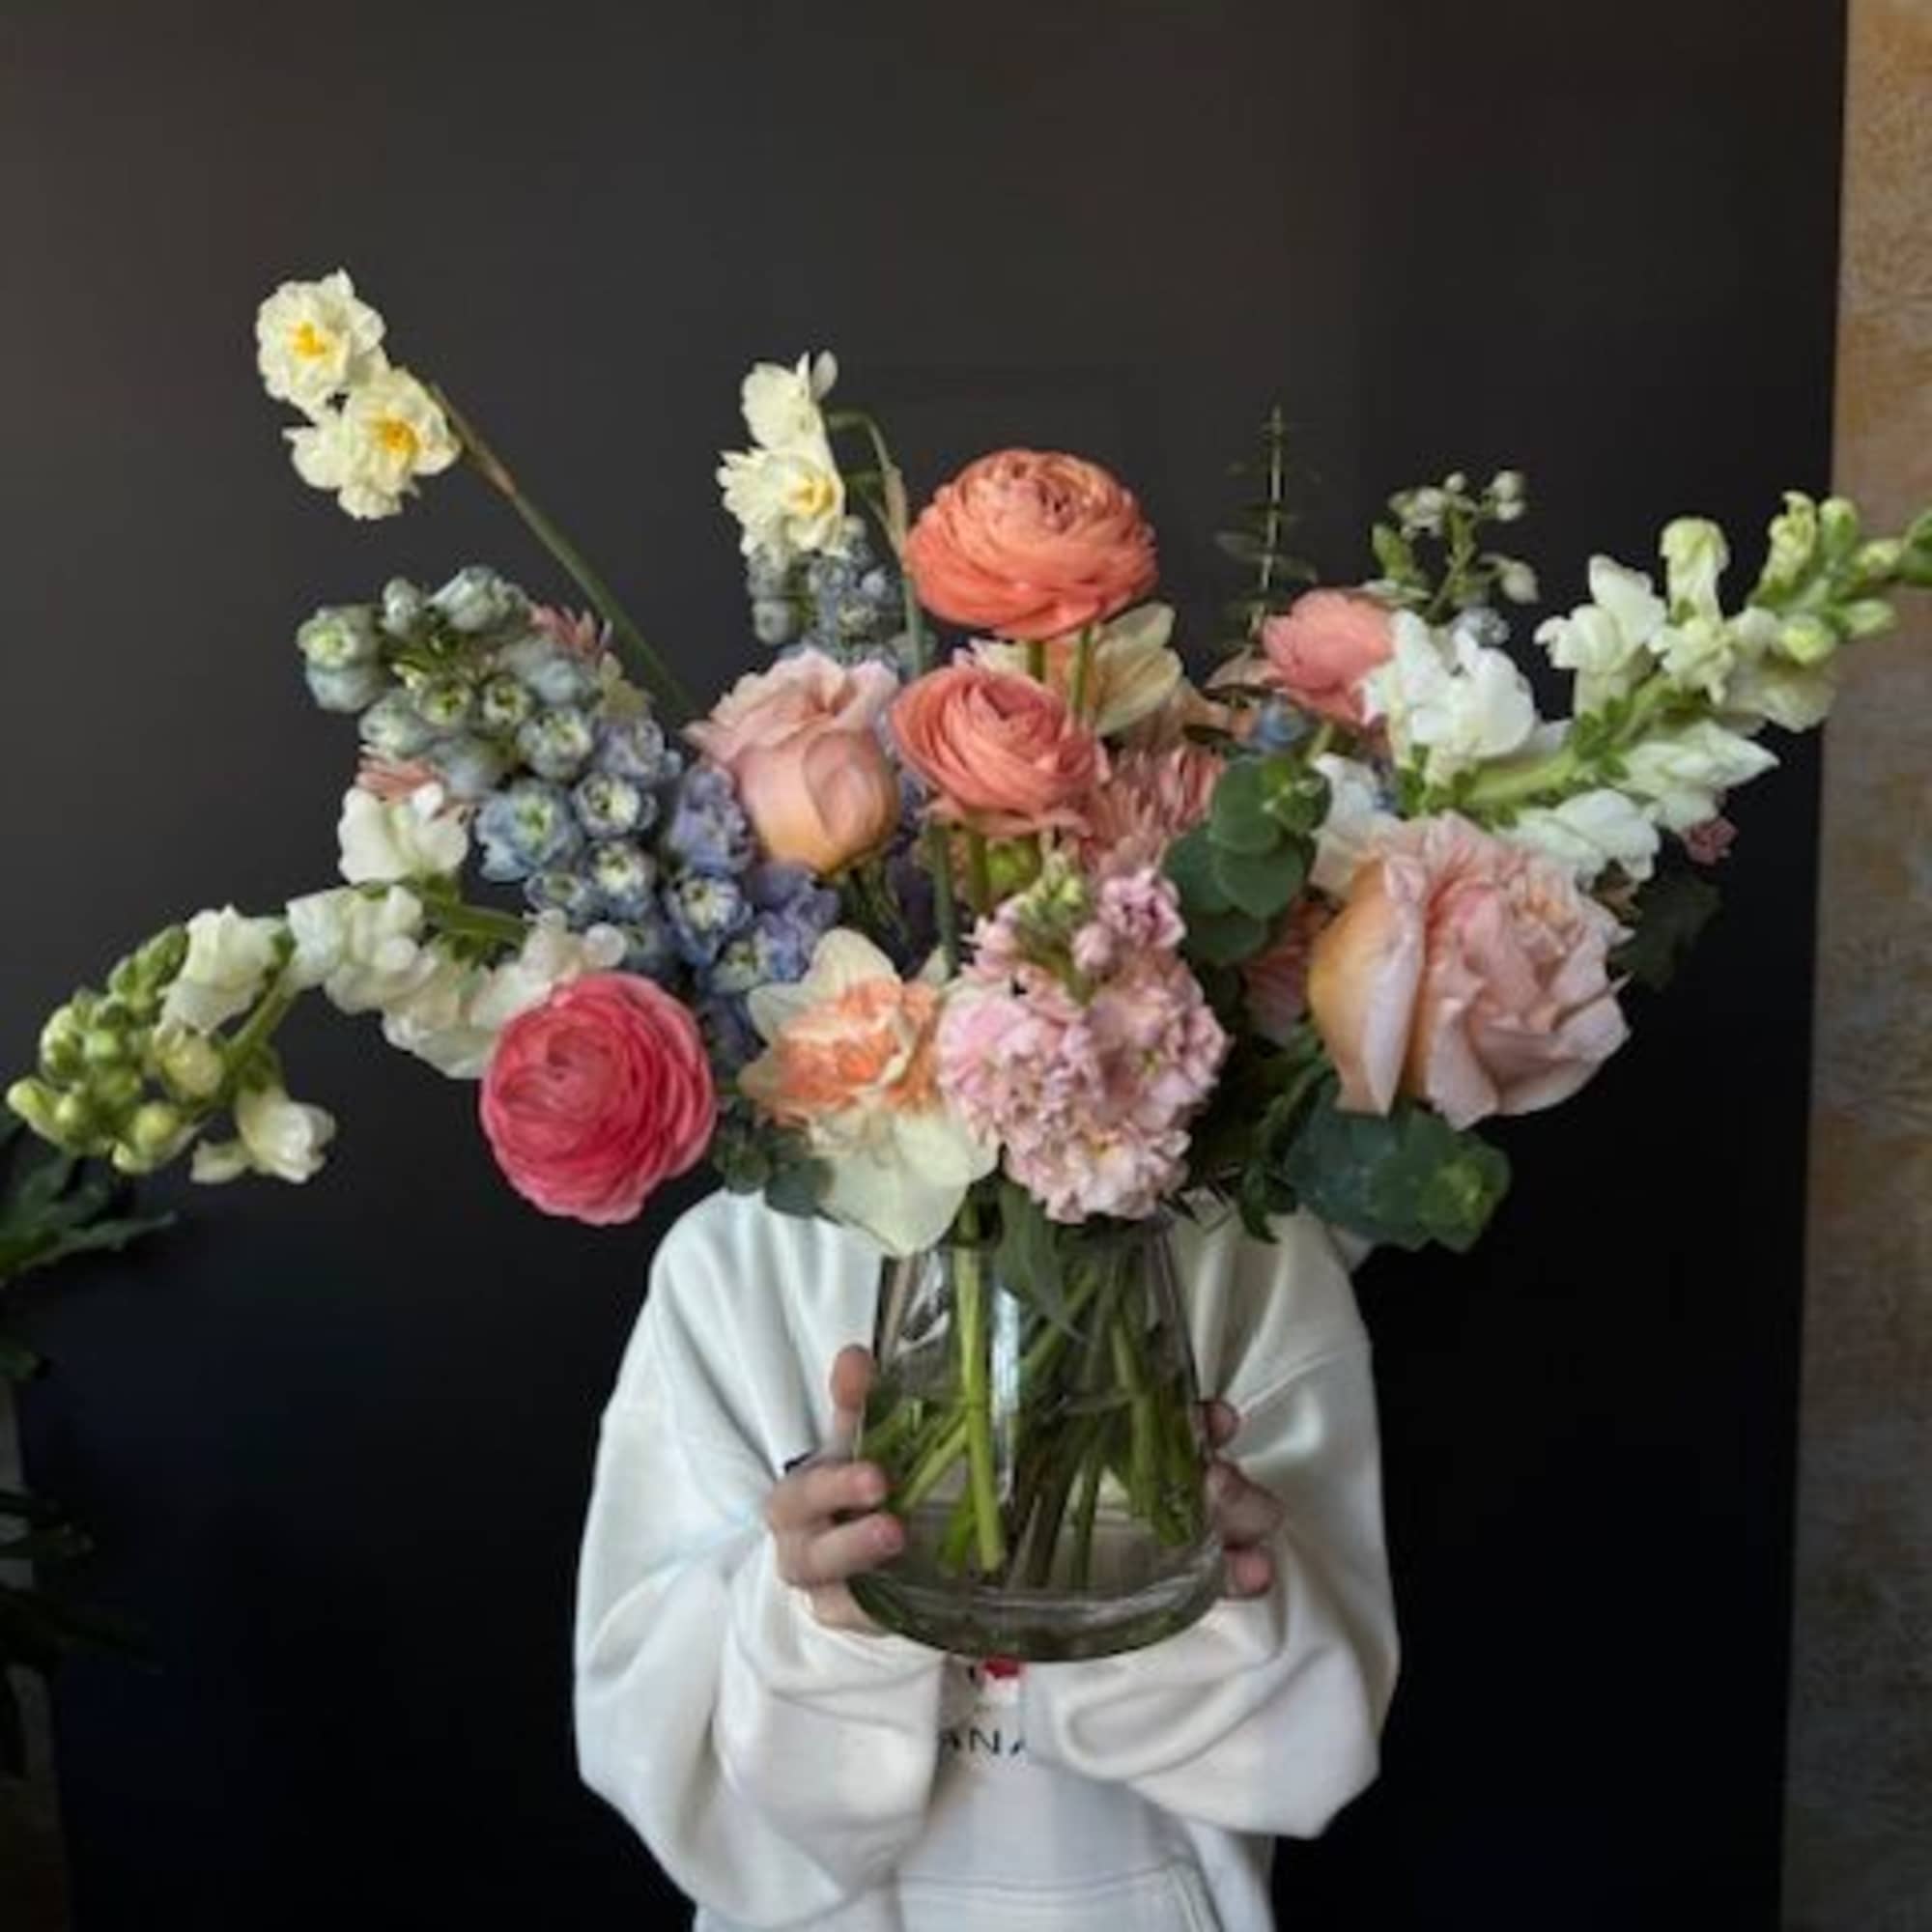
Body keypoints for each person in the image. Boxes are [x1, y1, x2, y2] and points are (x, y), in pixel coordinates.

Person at [574, 1187, 1398, 1931]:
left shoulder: (1254, 1247)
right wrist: (832, 1623)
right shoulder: (730, 1266)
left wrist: (1188, 1591)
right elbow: (678, 1781)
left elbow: (1304, 1763)